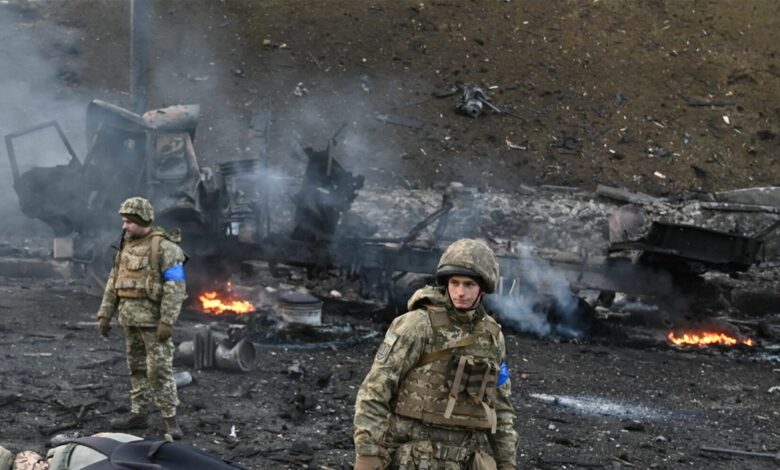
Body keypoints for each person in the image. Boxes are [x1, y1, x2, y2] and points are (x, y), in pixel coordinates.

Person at [353, 239, 518, 470]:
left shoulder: (492, 337)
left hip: (462, 460)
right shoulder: (417, 325)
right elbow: (375, 390)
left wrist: (507, 463)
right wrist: (368, 456)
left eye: (469, 284)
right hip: (410, 458)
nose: (460, 292)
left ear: (483, 288)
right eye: (455, 283)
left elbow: (500, 408)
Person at [96, 197, 188, 440]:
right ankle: (139, 414)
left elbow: (176, 286)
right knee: (136, 368)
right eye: (123, 221)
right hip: (129, 320)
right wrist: (105, 314)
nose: (124, 226)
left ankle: (170, 420)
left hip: (153, 323)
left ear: (142, 220)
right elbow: (113, 282)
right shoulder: (125, 245)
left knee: (159, 370)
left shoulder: (166, 248)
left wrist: (167, 320)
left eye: (128, 222)